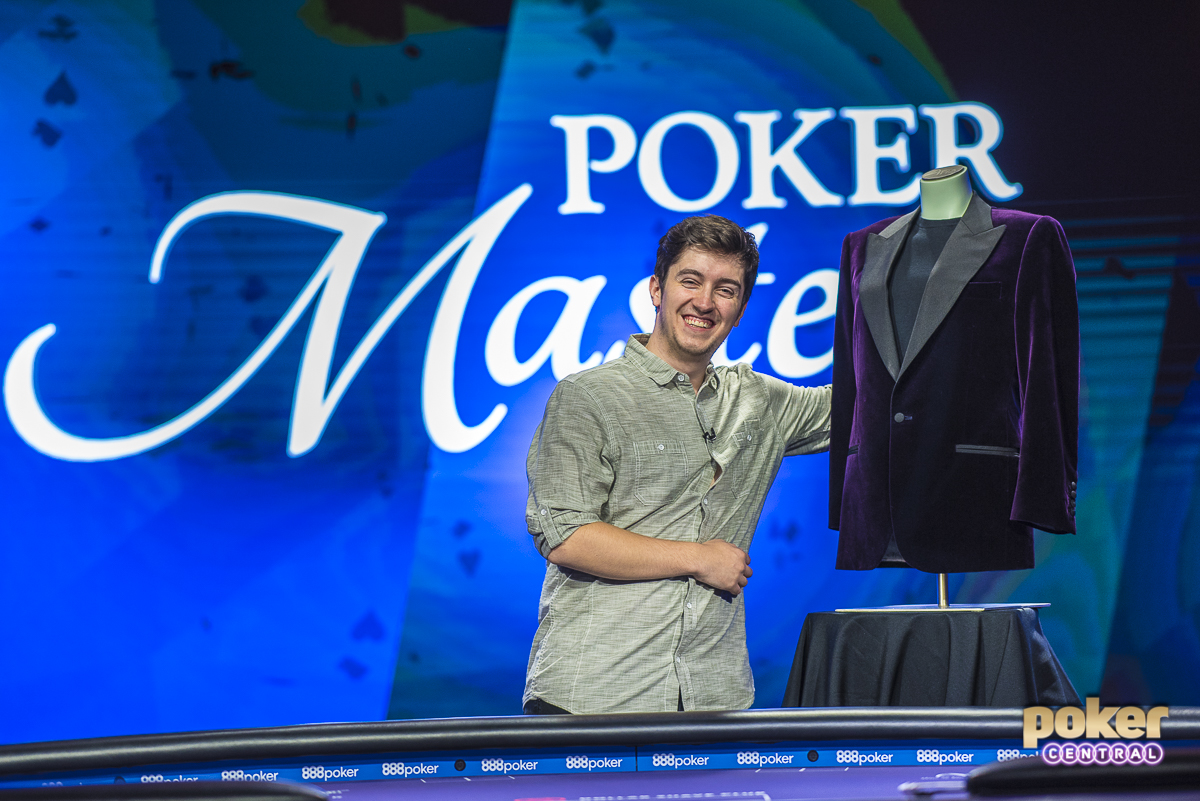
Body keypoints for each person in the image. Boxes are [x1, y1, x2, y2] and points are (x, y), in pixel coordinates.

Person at [523, 215, 831, 714]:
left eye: (725, 290)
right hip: (593, 701)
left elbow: (870, 407)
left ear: (741, 309)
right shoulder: (587, 397)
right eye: (690, 281)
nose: (705, 302)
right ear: (656, 289)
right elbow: (567, 537)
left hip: (715, 704)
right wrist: (699, 557)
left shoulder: (760, 401)